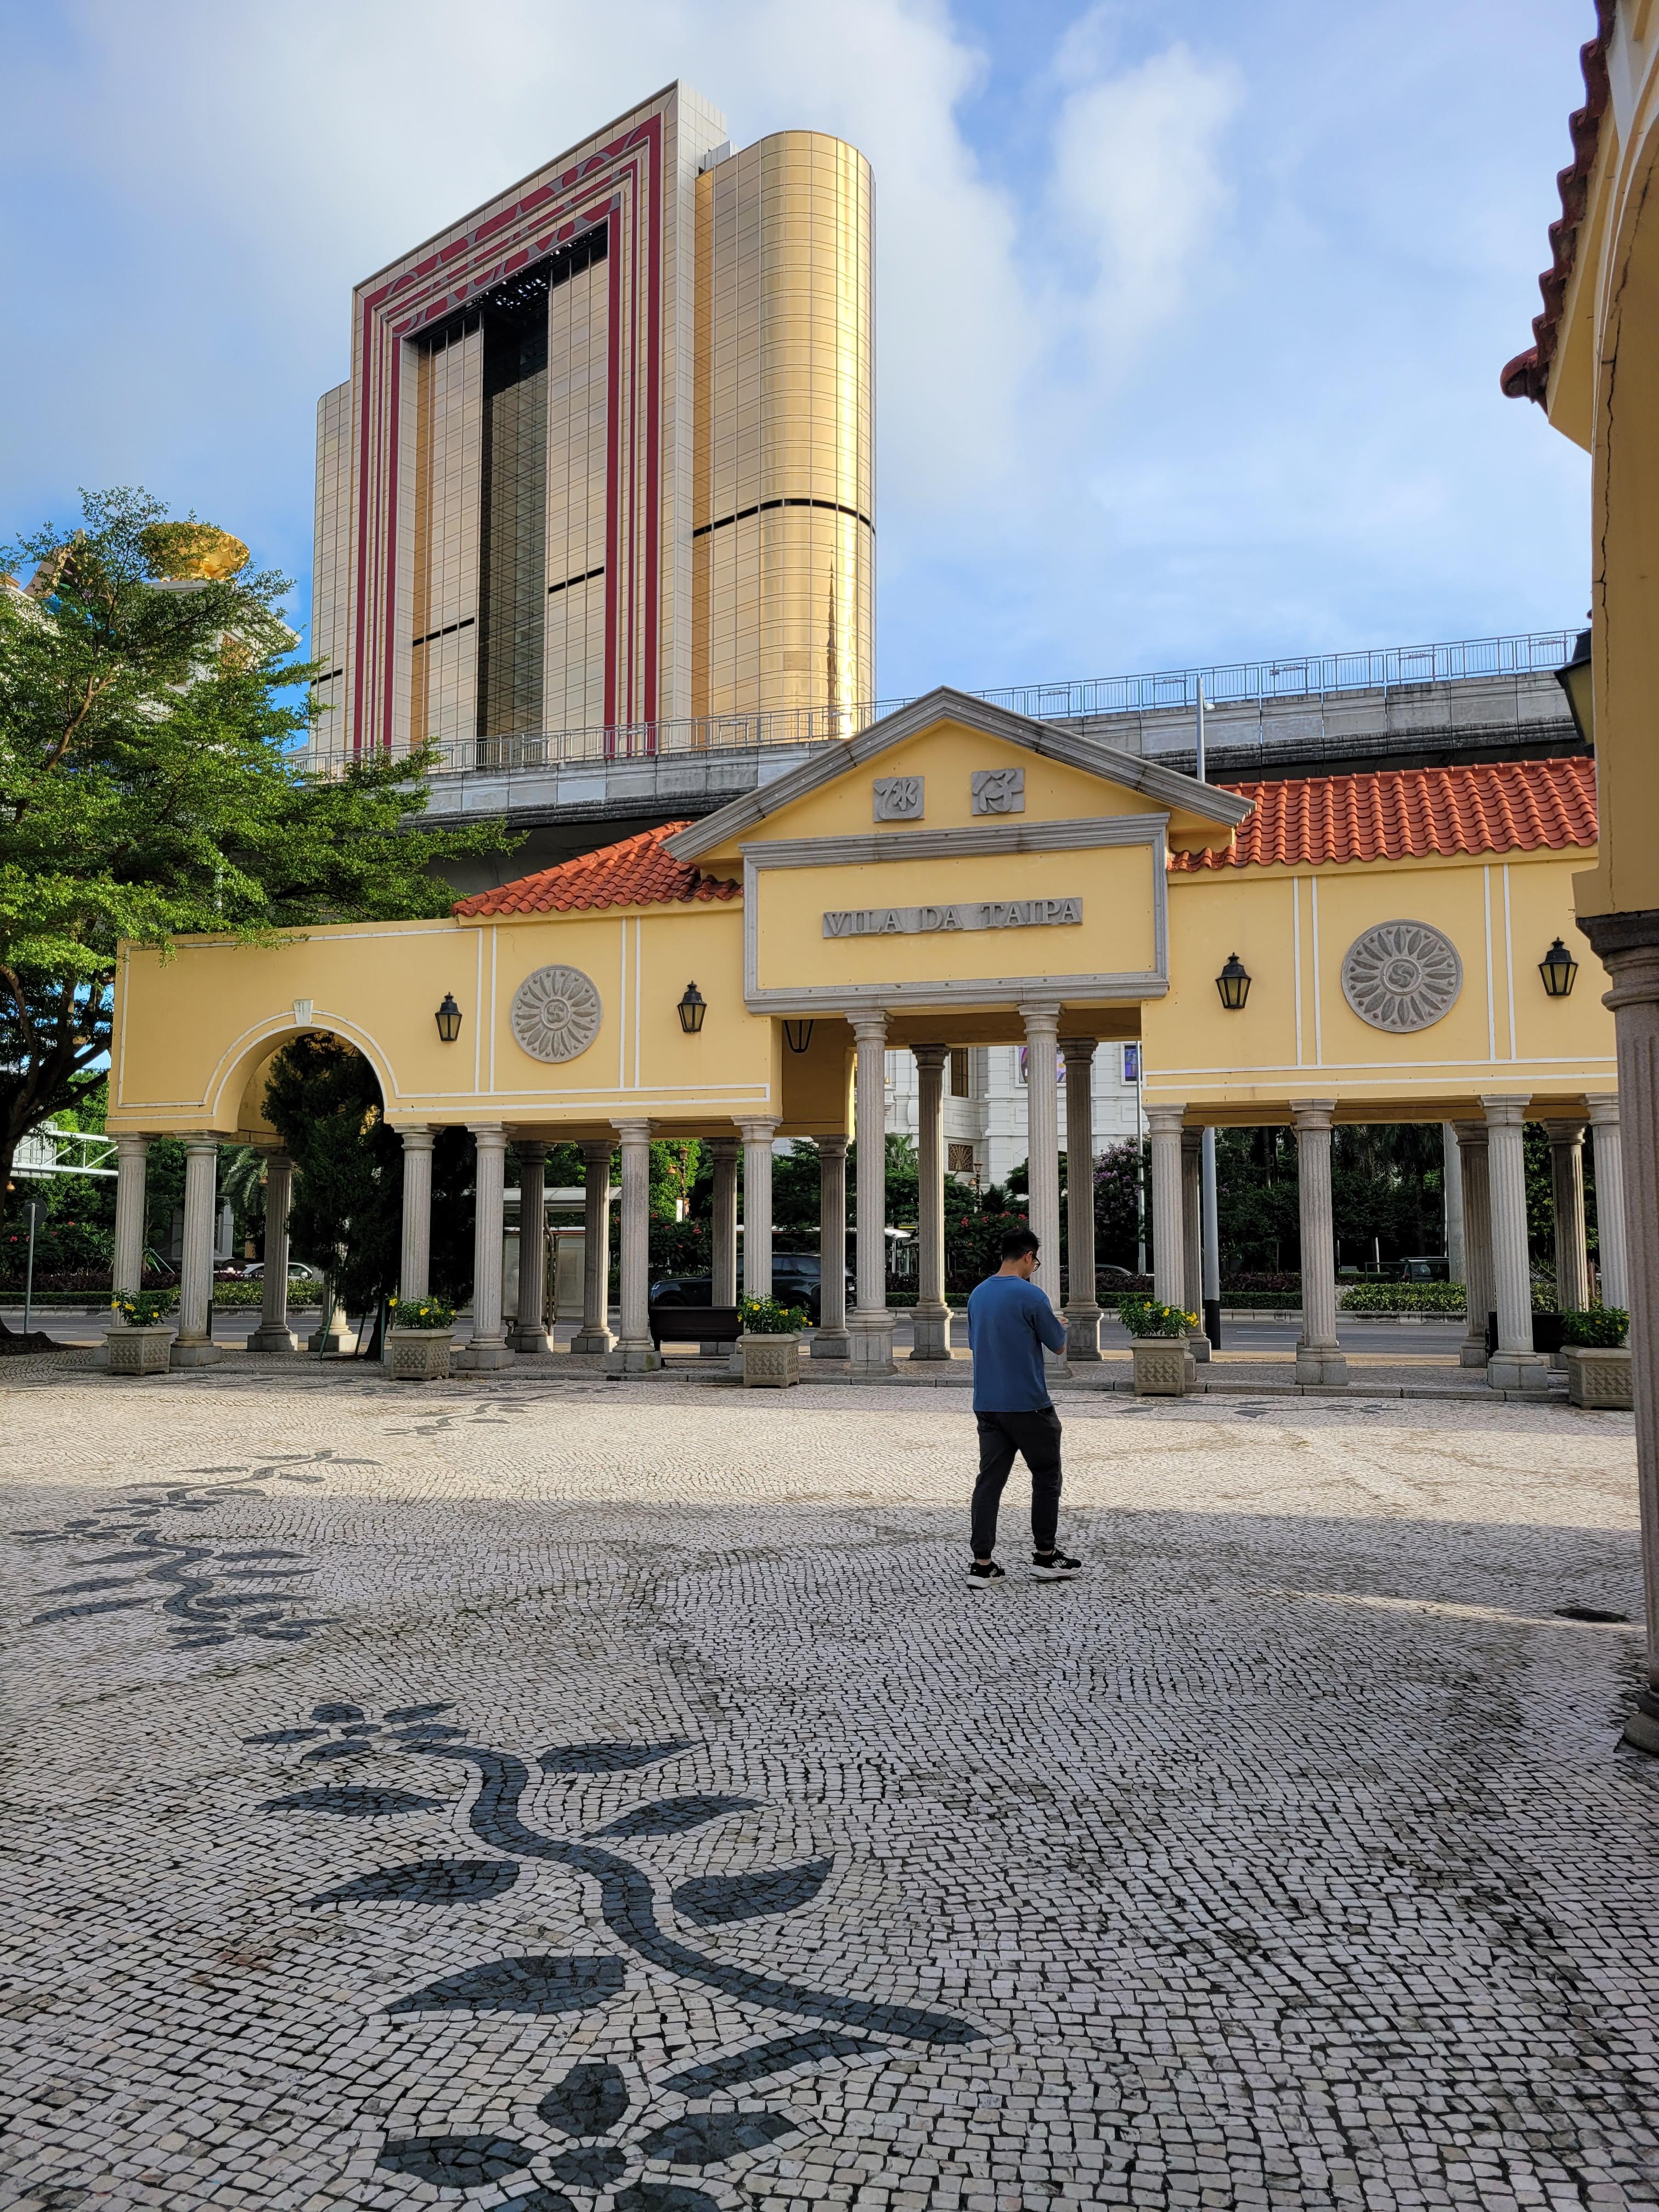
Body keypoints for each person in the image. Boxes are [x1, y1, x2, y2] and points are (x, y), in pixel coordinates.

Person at [964, 1226, 1081, 1585]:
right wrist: (1058, 1324)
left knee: (989, 1482)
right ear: (1028, 1256)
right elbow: (1058, 1345)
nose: (1034, 1268)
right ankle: (1045, 1556)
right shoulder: (1031, 1295)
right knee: (1046, 1477)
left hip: (987, 1403)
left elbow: (976, 1343)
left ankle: (982, 1565)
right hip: (1029, 1405)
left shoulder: (978, 1294)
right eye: (1036, 1262)